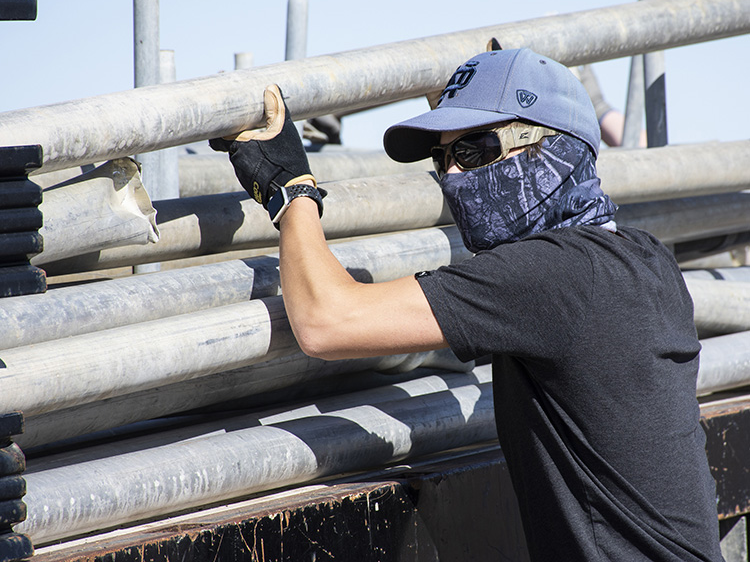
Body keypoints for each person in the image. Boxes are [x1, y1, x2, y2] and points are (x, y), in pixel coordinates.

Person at [210, 48, 723, 562]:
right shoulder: (643, 258)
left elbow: (326, 322)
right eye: (442, 159)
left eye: (475, 151)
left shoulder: (550, 277)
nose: (455, 175)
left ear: (550, 150)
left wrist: (291, 191)